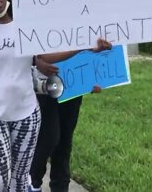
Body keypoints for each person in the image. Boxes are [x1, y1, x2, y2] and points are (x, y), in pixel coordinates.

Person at [0, 0, 110, 192]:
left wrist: (85, 46)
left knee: (20, 181)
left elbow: (44, 56)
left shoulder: (25, 23)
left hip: (26, 113)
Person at [29, 60, 104, 192]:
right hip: (44, 81)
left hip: (73, 82)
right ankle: (33, 183)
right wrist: (36, 61)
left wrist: (89, 78)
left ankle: (60, 187)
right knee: (46, 140)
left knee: (64, 139)